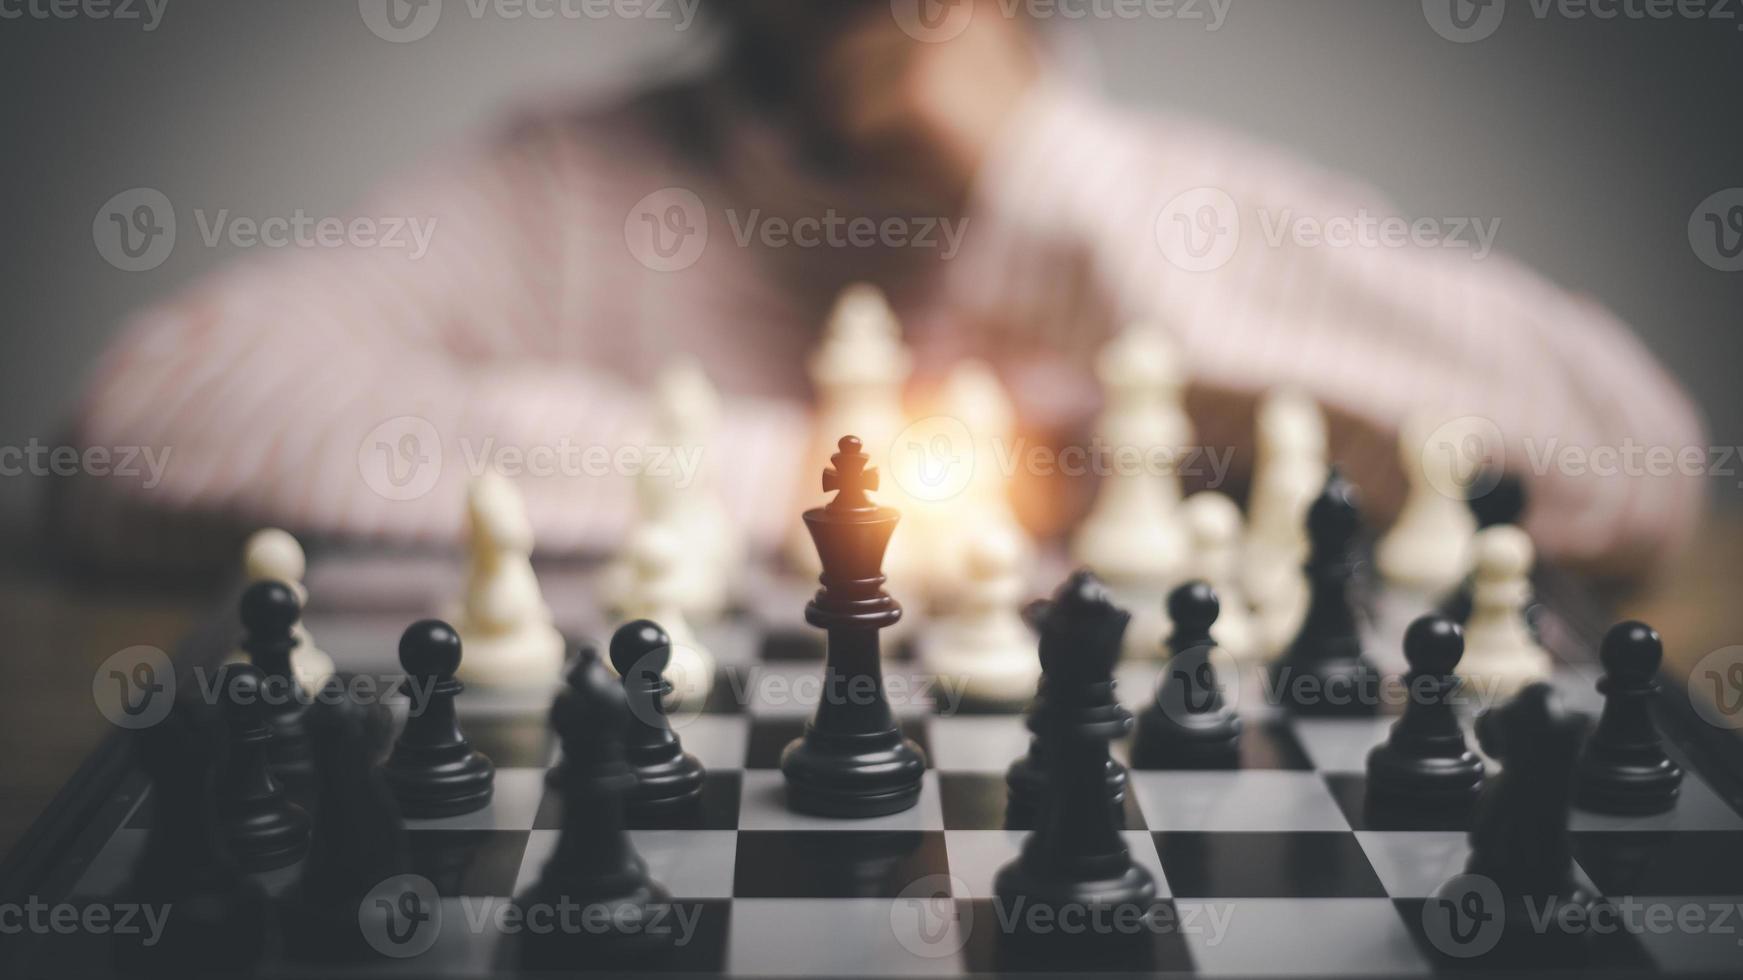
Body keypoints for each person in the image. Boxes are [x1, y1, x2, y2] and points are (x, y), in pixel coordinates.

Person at [61, 0, 1704, 578]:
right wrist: (803, 484)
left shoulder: (1162, 207)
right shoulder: (557, 197)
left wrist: (1043, 170)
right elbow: (138, 428)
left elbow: (1632, 460)